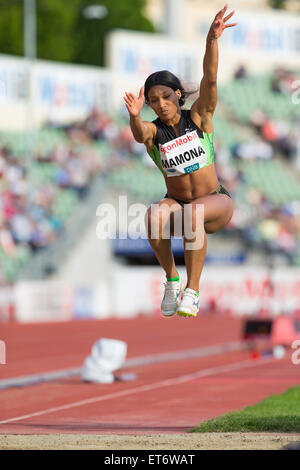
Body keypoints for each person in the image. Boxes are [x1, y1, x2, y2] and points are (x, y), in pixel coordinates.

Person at [124, 5, 236, 318]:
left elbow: (210, 79)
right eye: (152, 101)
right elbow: (137, 134)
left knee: (194, 213)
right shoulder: (152, 132)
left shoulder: (199, 117)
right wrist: (134, 116)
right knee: (153, 216)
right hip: (178, 203)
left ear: (178, 95)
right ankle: (172, 280)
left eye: (165, 96)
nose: (160, 104)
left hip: (214, 202)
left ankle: (193, 290)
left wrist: (211, 41)